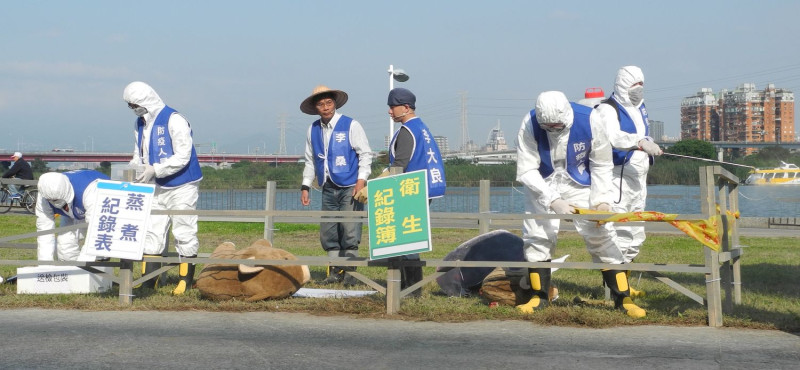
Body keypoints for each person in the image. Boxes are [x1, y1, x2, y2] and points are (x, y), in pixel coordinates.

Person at [515, 91, 645, 318]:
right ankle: (539, 296)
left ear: (567, 116)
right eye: (548, 127)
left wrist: (602, 201)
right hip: (543, 182)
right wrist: (552, 199)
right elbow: (526, 168)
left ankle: (622, 298)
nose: (553, 130)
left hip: (580, 182)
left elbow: (602, 163)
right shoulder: (530, 122)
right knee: (537, 235)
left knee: (601, 234)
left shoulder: (591, 119)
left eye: (558, 126)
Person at [123, 81, 203, 295]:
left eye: (135, 105)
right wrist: (135, 169)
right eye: (130, 106)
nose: (133, 109)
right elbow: (138, 154)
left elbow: (183, 156)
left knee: (184, 230)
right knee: (152, 231)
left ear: (146, 100)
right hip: (154, 186)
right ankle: (150, 281)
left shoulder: (174, 119)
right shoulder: (139, 124)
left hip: (182, 185)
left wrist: (156, 170)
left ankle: (185, 280)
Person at [596, 66, 663, 297]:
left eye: (642, 85)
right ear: (623, 85)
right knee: (618, 231)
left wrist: (649, 142)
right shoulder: (607, 109)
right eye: (635, 85)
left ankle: (624, 284)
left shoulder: (640, 108)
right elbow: (613, 136)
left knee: (635, 233)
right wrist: (640, 142)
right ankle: (615, 291)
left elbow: (643, 132)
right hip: (618, 180)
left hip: (638, 180)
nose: (639, 90)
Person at [299, 85, 372, 286]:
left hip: (350, 185)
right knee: (329, 230)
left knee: (350, 229)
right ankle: (334, 272)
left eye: (329, 103)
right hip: (328, 186)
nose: (326, 107)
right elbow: (310, 160)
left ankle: (351, 273)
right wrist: (305, 185)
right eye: (321, 104)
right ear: (315, 108)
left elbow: (365, 154)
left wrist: (361, 180)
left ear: (335, 104)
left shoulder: (351, 125)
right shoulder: (312, 129)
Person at [377, 87, 446, 293]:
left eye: (393, 107)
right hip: (425, 188)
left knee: (408, 240)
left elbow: (401, 163)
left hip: (410, 190)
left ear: (406, 108)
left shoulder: (407, 131)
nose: (390, 112)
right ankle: (410, 287)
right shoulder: (421, 127)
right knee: (412, 238)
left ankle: (410, 288)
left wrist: (380, 180)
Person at [35, 170, 109, 261]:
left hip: (100, 204)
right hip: (74, 211)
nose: (57, 203)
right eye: (53, 200)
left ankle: (98, 267)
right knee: (65, 244)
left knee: (99, 252)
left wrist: (84, 264)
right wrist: (44, 266)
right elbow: (44, 229)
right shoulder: (44, 196)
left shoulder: (91, 191)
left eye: (59, 200)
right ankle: (69, 269)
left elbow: (96, 230)